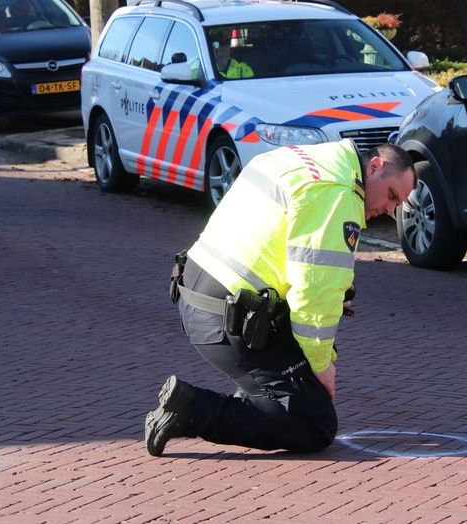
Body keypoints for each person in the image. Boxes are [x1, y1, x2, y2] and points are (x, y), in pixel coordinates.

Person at [146, 141, 417, 456]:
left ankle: (257, 398)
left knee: (293, 384)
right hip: (227, 317)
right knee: (315, 424)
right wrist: (322, 364)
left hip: (195, 291)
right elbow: (313, 295)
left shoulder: (302, 158)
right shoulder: (338, 192)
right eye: (392, 195)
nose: (390, 209)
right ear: (375, 167)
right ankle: (190, 410)